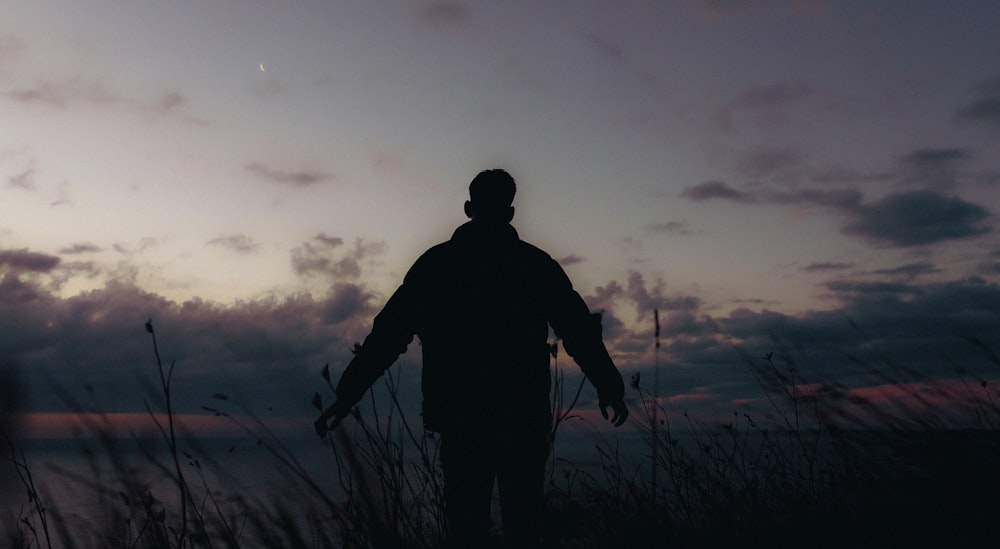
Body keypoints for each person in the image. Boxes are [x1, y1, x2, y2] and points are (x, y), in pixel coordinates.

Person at [315, 169, 628, 548]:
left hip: (461, 419)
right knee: (524, 524)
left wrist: (348, 393)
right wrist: (609, 385)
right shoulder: (535, 265)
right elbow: (578, 331)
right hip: (522, 417)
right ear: (510, 213)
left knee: (466, 527)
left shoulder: (437, 265)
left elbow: (389, 334)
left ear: (468, 208)